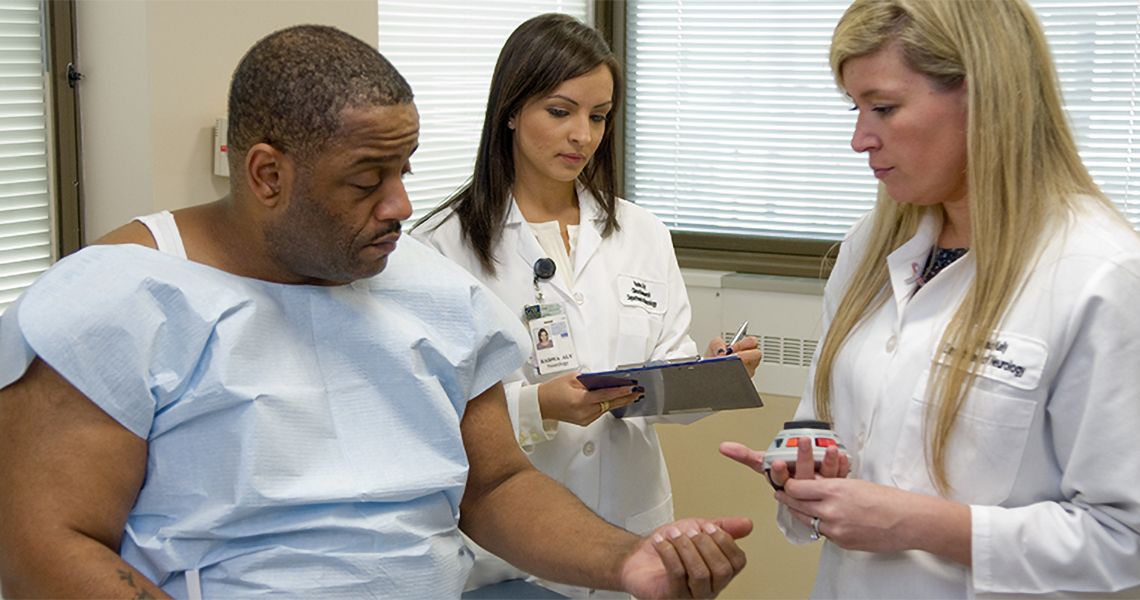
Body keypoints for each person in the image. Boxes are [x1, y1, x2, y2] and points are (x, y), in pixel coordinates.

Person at [0, 25, 753, 599]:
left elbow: (492, 486)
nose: (400, 206)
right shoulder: (118, 300)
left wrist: (628, 559)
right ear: (266, 173)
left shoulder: (431, 292)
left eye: (405, 170)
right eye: (366, 180)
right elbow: (45, 547)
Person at [720, 0, 1140, 597]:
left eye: (884, 108)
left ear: (983, 97)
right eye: (856, 108)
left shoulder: (1100, 274)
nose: (859, 139)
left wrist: (916, 524)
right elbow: (821, 422)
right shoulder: (870, 247)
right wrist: (804, 469)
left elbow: (1125, 538)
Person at [414, 13, 762, 597]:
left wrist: (707, 373)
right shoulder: (441, 245)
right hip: (506, 554)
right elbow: (431, 412)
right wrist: (538, 406)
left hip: (631, 528)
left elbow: (661, 380)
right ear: (511, 110)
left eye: (598, 116)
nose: (583, 135)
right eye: (560, 111)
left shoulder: (641, 232)